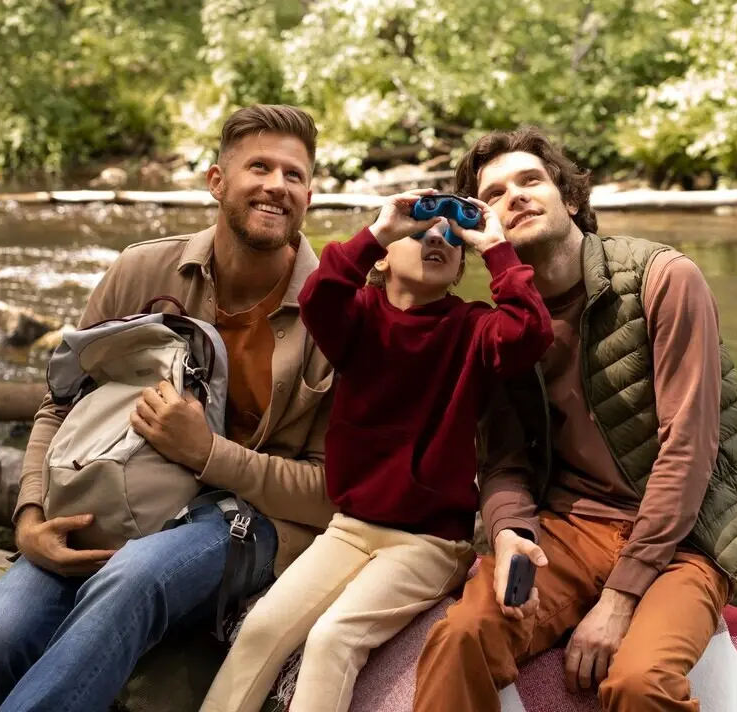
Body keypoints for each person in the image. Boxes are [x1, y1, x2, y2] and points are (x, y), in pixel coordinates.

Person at [0, 105, 337, 712]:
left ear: (309, 195)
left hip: (252, 521)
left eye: (294, 174)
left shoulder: (338, 314)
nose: (276, 185)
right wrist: (28, 517)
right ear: (216, 181)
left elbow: (330, 494)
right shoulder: (141, 270)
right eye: (258, 166)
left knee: (136, 578)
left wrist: (208, 454)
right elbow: (59, 407)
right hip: (113, 498)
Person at [411, 126, 737, 712]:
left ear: (572, 199)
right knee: (460, 638)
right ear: (485, 228)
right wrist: (509, 533)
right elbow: (504, 462)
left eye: (532, 180)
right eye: (497, 194)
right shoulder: (503, 325)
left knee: (639, 683)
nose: (518, 196)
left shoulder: (664, 279)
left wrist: (619, 599)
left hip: (686, 536)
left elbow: (688, 451)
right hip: (569, 529)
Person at [199, 189, 553, 712]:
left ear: (460, 269)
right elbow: (319, 295)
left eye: (452, 239)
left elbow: (530, 332)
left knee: (332, 638)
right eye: (421, 231)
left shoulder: (472, 328)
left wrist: (497, 247)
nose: (437, 237)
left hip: (429, 544)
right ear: (384, 257)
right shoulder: (358, 318)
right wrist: (379, 229)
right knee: (263, 628)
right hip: (349, 527)